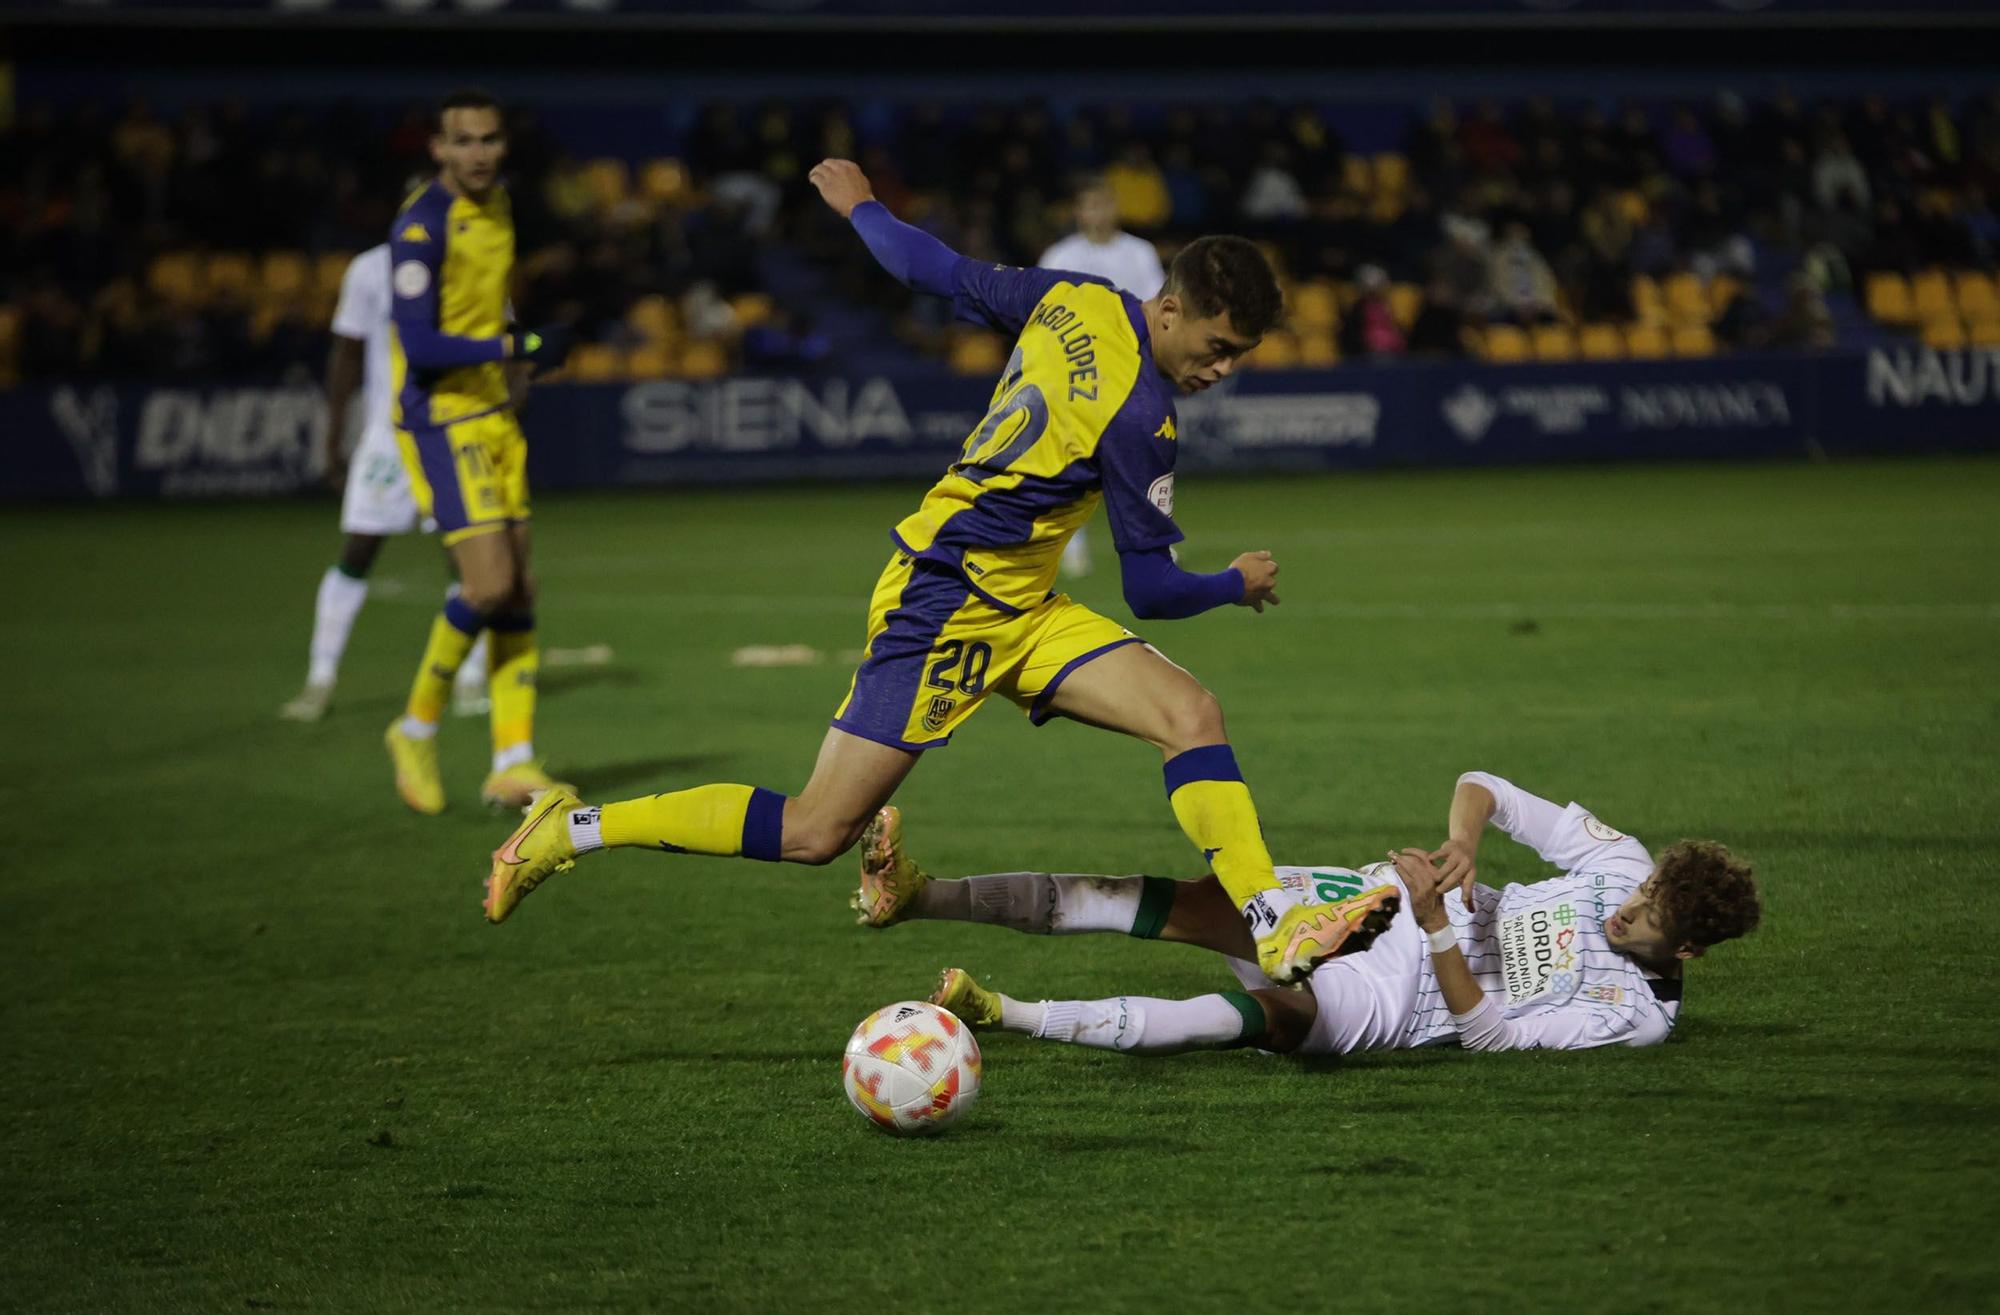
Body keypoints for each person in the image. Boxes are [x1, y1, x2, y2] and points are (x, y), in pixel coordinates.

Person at [485, 157, 1391, 988]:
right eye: (1219, 346)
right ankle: (569, 828)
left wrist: (862, 206)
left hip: (1023, 603)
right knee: (814, 831)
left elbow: (935, 270)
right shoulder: (1140, 416)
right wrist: (1235, 581)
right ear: (1170, 308)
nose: (1223, 370)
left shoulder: (1076, 299)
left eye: (1239, 356)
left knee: (1190, 714)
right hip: (946, 604)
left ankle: (1273, 920)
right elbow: (1152, 590)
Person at [858, 768, 1758, 1058]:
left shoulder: (1634, 1019)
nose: (1627, 910)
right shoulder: (1620, 865)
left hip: (1400, 1003)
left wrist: (1439, 918)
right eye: (1642, 892)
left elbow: (1488, 1037)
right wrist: (1465, 846)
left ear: (1690, 950)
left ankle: (1010, 1015)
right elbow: (1482, 784)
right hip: (1384, 908)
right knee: (1183, 904)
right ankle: (920, 895)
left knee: (1278, 1013)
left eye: (1649, 920)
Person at [380, 89, 574, 814]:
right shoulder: (421, 226)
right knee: (488, 586)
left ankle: (513, 761)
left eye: (489, 139)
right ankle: (414, 727)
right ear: (437, 149)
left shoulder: (498, 208)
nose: (479, 153)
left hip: (494, 414)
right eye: (463, 141)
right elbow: (423, 345)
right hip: (444, 420)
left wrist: (519, 359)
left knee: (520, 588)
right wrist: (515, 345)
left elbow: (490, 302)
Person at [278, 243, 489, 724]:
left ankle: (470, 678)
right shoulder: (371, 269)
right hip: (389, 437)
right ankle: (320, 678)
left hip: (456, 432)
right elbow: (347, 353)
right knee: (358, 551)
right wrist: (333, 437)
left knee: (468, 559)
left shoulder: (477, 261)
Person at [1036, 177, 1166, 579]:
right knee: (1069, 461)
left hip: (1126, 372)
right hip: (1072, 374)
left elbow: (1157, 307)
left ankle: (1155, 546)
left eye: (1104, 205)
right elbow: (1040, 314)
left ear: (1115, 208)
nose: (1097, 213)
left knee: (1142, 461)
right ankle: (1068, 546)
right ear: (1079, 211)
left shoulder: (1139, 252)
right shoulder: (1059, 254)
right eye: (1089, 206)